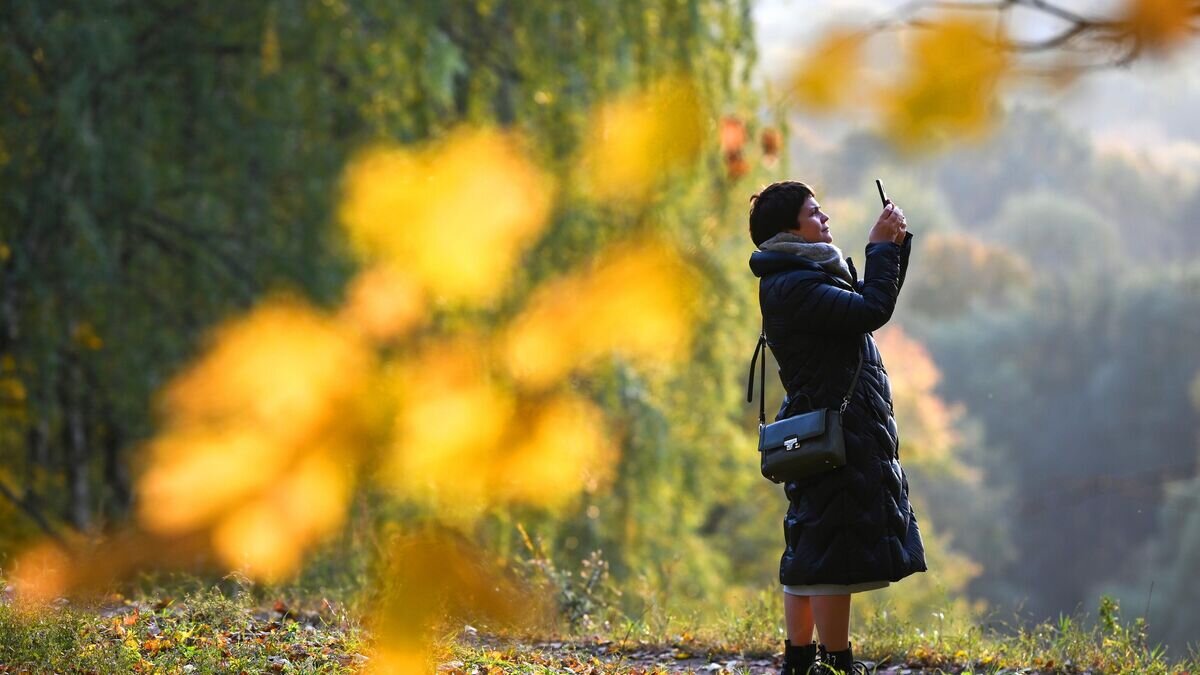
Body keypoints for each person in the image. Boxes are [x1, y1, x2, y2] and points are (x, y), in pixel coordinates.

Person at [747, 181, 928, 675]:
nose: (824, 218)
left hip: (833, 429)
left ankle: (801, 662)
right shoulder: (796, 285)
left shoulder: (801, 275)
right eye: (814, 212)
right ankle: (835, 664)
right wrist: (879, 248)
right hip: (836, 434)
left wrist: (893, 248)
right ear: (789, 229)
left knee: (812, 546)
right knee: (830, 552)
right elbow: (871, 310)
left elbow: (866, 307)